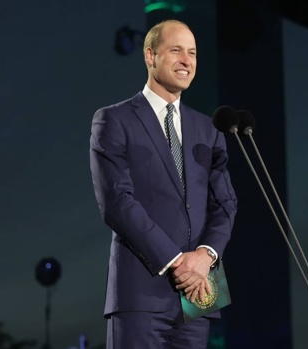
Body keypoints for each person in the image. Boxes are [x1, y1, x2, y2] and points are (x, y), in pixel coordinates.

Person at [89, 19, 238, 349]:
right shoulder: (114, 120)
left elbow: (225, 203)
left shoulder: (209, 129)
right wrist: (176, 260)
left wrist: (205, 256)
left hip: (198, 293)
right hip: (141, 293)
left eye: (193, 53)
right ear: (150, 55)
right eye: (176, 51)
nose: (187, 60)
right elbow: (117, 202)